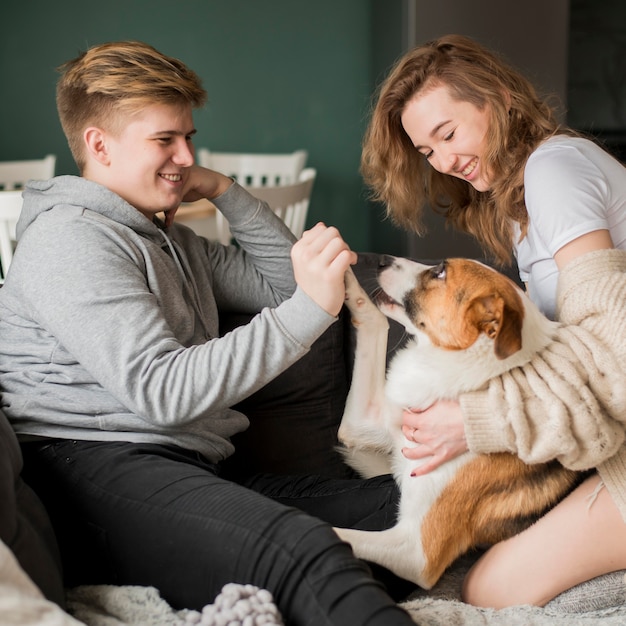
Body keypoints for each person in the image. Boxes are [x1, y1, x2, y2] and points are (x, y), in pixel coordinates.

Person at [0, 40, 417, 625]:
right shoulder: (70, 238)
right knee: (302, 552)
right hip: (91, 469)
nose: (183, 155)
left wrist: (224, 191)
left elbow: (282, 285)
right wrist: (310, 312)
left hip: (187, 467)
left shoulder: (170, 240)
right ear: (99, 144)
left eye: (188, 138)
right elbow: (162, 391)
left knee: (405, 508)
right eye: (164, 140)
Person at [360, 33, 626, 608]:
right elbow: (561, 350)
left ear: (500, 98)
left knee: (488, 590)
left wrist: (475, 420)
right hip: (608, 431)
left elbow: (614, 360)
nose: (445, 162)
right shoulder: (522, 203)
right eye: (427, 151)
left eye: (448, 133)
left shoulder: (553, 173)